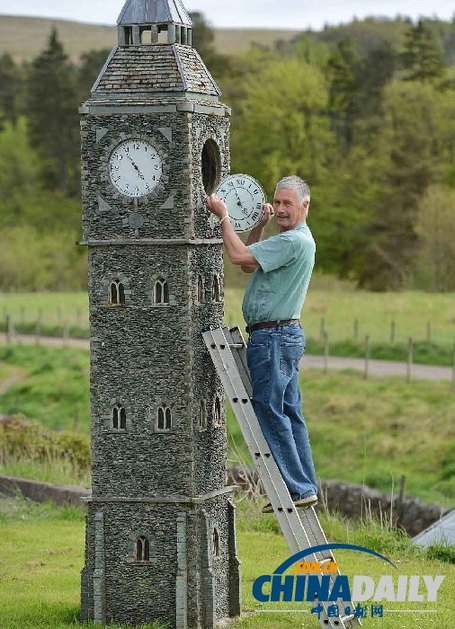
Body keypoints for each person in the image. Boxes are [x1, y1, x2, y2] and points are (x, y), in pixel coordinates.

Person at [206, 175, 318, 513]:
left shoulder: (293, 242)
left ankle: (296, 488)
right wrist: (259, 225)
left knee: (269, 408)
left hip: (273, 338)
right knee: (289, 412)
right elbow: (249, 262)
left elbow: (238, 256)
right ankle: (304, 486)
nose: (281, 209)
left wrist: (224, 216)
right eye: (278, 202)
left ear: (304, 206)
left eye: (288, 204)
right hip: (280, 336)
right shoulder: (290, 240)